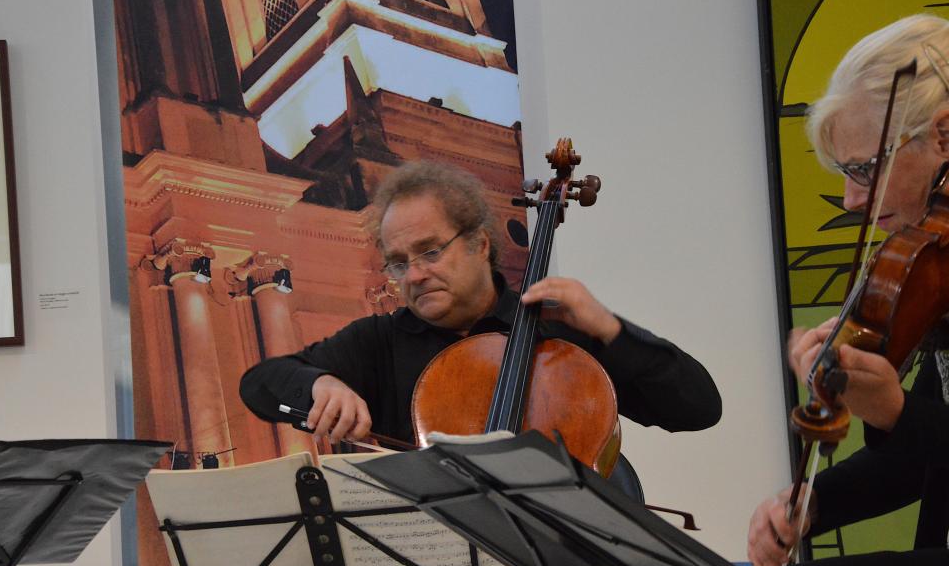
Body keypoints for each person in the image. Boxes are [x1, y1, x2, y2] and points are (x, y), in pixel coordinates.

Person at [240, 160, 721, 446]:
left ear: (479, 244)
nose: (415, 275)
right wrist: (320, 384)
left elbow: (697, 408)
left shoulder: (558, 334)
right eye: (398, 263)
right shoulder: (380, 341)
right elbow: (261, 384)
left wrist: (611, 330)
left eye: (429, 251)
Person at [747, 14, 949, 566]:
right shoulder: (935, 264)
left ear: (943, 135)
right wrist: (812, 504)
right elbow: (924, 459)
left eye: (864, 168)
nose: (851, 198)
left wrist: (896, 410)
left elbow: (921, 429)